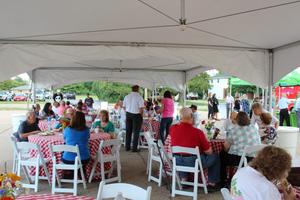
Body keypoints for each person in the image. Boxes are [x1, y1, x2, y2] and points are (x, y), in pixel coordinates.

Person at [170, 107, 220, 189]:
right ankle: (212, 183)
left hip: (177, 162)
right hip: (194, 164)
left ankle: (184, 179)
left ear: (180, 117)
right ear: (191, 116)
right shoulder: (198, 132)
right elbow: (209, 152)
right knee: (215, 156)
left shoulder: (172, 129)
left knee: (181, 155)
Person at [231, 146, 295, 200]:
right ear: (277, 171)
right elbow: (262, 189)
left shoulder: (242, 171)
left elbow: (255, 188)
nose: (287, 173)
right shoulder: (268, 189)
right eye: (286, 170)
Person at [220, 112, 261, 185]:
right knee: (226, 154)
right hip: (254, 158)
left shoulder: (234, 129)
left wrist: (226, 149)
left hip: (240, 159)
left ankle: (223, 181)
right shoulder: (253, 128)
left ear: (237, 120)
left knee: (222, 155)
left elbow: (226, 147)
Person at [123, 85, 145, 152]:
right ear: (137, 89)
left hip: (128, 114)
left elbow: (124, 107)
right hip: (136, 115)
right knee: (136, 132)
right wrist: (142, 116)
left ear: (132, 89)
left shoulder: (126, 96)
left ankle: (127, 147)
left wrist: (127, 112)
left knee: (128, 131)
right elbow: (141, 109)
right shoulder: (139, 97)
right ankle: (134, 148)